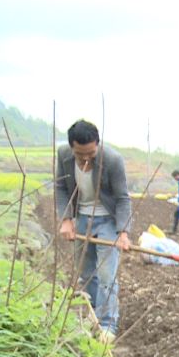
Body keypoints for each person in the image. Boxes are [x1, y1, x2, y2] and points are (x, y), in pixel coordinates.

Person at [55, 120, 133, 344]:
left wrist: (123, 232)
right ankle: (93, 318)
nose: (86, 159)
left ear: (97, 145)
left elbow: (122, 198)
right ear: (72, 148)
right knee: (87, 272)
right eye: (81, 155)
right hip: (82, 218)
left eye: (91, 153)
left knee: (107, 275)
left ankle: (108, 324)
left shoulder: (112, 160)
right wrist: (67, 220)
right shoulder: (63, 155)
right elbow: (60, 188)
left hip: (108, 220)